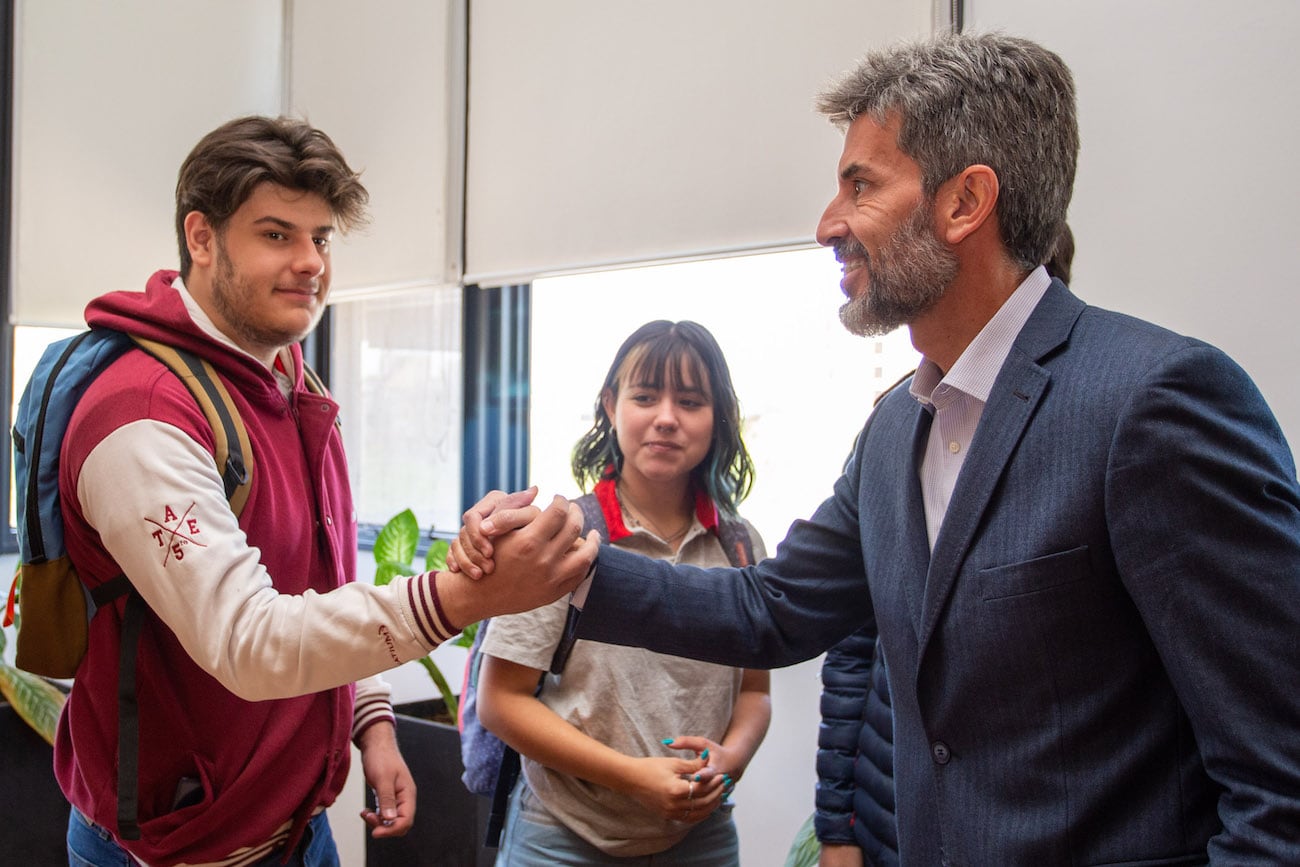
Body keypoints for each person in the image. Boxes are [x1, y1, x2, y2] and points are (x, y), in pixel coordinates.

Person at [454, 33, 1300, 864]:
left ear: (965, 202)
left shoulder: (1154, 400)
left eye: (860, 185)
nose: (828, 224)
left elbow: (1278, 782)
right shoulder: (897, 425)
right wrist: (567, 561)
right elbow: (771, 608)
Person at [56, 115, 597, 867]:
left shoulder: (283, 374)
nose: (310, 261)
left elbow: (322, 577)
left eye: (322, 237)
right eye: (277, 234)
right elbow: (248, 639)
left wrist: (372, 721)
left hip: (299, 829)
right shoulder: (143, 417)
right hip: (179, 850)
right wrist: (464, 598)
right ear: (202, 238)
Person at [476, 320, 771, 864]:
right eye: (644, 396)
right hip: (563, 835)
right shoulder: (562, 536)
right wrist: (634, 778)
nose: (665, 418)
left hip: (700, 837)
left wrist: (732, 758)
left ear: (718, 418)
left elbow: (755, 691)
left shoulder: (740, 544)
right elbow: (501, 703)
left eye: (689, 401)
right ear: (610, 407)